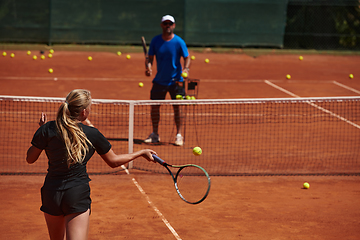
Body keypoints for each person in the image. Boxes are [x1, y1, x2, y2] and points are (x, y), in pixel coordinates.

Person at [26, 89, 156, 240]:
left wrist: (41, 131)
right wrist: (140, 153)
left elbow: (30, 158)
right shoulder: (92, 133)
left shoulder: (47, 129)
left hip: (51, 193)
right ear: (84, 112)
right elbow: (113, 162)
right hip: (76, 194)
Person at [144, 14, 191, 146]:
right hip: (159, 81)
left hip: (176, 81)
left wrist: (186, 69)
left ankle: (179, 135)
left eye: (170, 24)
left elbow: (187, 57)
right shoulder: (156, 41)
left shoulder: (179, 42)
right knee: (155, 108)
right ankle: (155, 134)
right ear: (162, 25)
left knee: (178, 108)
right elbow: (150, 59)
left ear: (174, 26)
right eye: (166, 24)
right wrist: (148, 67)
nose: (168, 26)